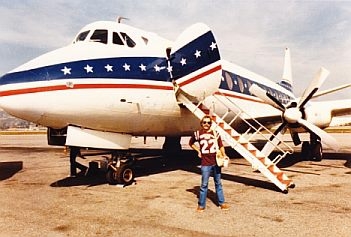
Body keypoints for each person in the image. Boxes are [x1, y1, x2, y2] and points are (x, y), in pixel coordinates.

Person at [189, 115, 230, 212]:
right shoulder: (197, 134)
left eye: (209, 122)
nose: (206, 124)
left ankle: (222, 203)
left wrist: (224, 155)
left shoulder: (216, 133)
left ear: (211, 124)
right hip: (205, 163)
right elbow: (191, 143)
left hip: (216, 162)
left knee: (218, 183)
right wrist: (198, 151)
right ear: (201, 123)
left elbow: (221, 146)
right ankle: (201, 205)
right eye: (205, 122)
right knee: (204, 185)